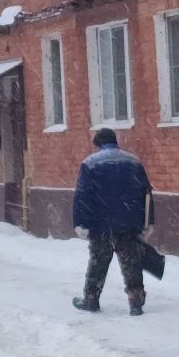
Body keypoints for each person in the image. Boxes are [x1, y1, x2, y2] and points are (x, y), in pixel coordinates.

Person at [71, 128, 153, 316]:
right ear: (115, 141)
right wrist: (147, 221)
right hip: (129, 223)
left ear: (98, 144)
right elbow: (146, 193)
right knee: (131, 262)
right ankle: (136, 302)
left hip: (101, 225)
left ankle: (91, 300)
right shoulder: (133, 161)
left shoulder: (90, 163)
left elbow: (82, 195)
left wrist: (80, 222)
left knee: (98, 263)